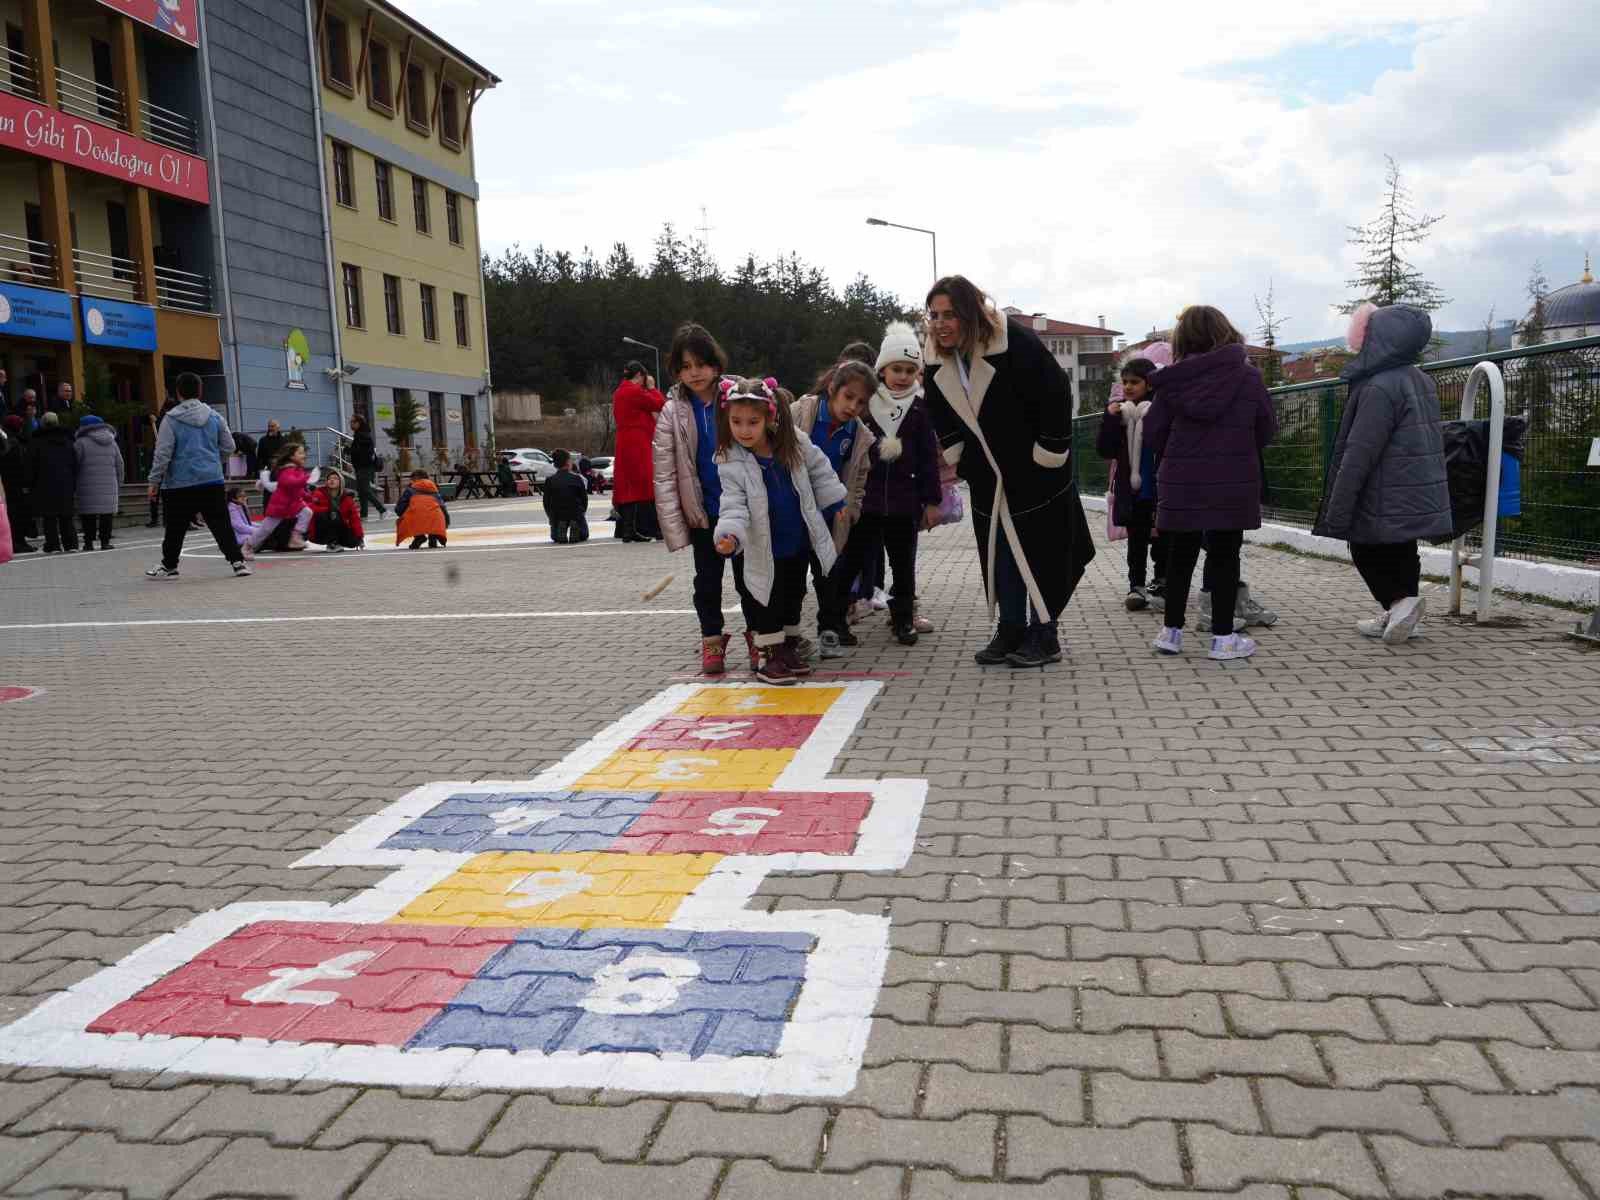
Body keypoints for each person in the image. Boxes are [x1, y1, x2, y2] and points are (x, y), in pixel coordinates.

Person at [922, 275, 1095, 668]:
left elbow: (1055, 391)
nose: (941, 323)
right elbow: (939, 411)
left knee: (1040, 553)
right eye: (934, 315)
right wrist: (962, 458)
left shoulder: (1013, 341)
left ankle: (1044, 634)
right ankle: (1011, 628)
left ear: (970, 313)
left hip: (1035, 469)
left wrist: (1049, 453)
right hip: (987, 474)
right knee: (999, 553)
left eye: (950, 314)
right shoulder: (934, 358)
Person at [1312, 302, 1451, 644]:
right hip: (1417, 484)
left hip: (1382, 487)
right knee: (1403, 549)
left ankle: (1399, 604)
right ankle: (1403, 615)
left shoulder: (1377, 386)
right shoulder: (1420, 380)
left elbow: (1361, 449)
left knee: (1364, 548)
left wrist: (1340, 503)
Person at [1144, 305, 1277, 660]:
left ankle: (1171, 632)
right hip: (1232, 478)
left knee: (1180, 553)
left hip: (1181, 479)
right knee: (1224, 555)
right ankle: (1222, 639)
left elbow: (1153, 432)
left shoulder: (1172, 381)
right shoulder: (1247, 377)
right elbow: (1266, 427)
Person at [713, 377, 847, 684]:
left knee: (794, 594)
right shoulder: (730, 460)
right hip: (761, 548)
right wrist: (729, 534)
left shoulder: (794, 443)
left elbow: (820, 468)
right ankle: (768, 656)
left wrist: (835, 499)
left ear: (770, 418)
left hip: (795, 542)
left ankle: (788, 647)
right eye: (736, 422)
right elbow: (732, 502)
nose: (744, 430)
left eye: (752, 422)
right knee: (765, 601)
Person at [827, 323, 941, 647]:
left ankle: (903, 619)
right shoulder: (868, 405)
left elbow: (928, 458)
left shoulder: (920, 409)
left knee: (904, 567)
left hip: (906, 503)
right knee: (852, 561)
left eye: (909, 370)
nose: (902, 376)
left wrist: (932, 501)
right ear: (883, 370)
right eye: (896, 369)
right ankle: (836, 620)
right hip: (868, 501)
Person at [653, 323, 750, 676]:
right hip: (703, 514)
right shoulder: (671, 412)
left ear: (716, 363)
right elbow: (664, 471)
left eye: (701, 364)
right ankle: (711, 641)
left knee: (749, 580)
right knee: (706, 583)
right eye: (685, 366)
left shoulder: (740, 397)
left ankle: (759, 639)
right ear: (676, 370)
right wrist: (674, 525)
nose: (694, 373)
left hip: (743, 512)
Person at [792, 359, 874, 658]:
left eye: (861, 402)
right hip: (793, 512)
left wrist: (851, 506)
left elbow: (859, 474)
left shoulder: (858, 434)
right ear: (832, 389)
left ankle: (830, 627)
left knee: (830, 574)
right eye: (848, 397)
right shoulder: (802, 414)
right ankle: (789, 633)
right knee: (792, 575)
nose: (853, 406)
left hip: (829, 514)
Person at [146, 373, 251, 578]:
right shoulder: (214, 416)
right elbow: (229, 446)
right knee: (221, 524)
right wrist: (213, 460)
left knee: (175, 528)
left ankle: (170, 565)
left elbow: (163, 453)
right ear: (200, 391)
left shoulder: (170, 419)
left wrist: (154, 481)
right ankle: (237, 562)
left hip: (178, 484)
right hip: (211, 480)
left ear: (178, 393)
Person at [1100, 350, 1169, 609]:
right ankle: (1136, 587)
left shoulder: (1160, 411)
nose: (1128, 387)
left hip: (1160, 485)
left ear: (1149, 384)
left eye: (1134, 382)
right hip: (1132, 489)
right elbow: (1105, 450)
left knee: (1164, 539)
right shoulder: (1119, 414)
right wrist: (1110, 419)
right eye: (1125, 382)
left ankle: (1162, 582)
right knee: (1137, 541)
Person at [613, 361, 667, 543]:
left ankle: (629, 529)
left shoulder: (619, 391)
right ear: (640, 376)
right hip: (638, 441)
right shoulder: (635, 391)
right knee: (645, 483)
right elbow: (660, 404)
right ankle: (652, 527)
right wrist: (652, 388)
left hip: (624, 441)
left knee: (628, 485)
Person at [242, 444, 317, 555]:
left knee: (307, 512)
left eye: (303, 452)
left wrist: (309, 497)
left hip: (292, 505)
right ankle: (248, 545)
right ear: (291, 457)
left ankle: (295, 536)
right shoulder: (287, 470)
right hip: (280, 506)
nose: (304, 455)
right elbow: (287, 482)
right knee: (265, 529)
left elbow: (298, 489)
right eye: (300, 453)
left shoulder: (297, 470)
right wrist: (306, 479)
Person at [28, 412, 77, 553]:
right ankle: (71, 544)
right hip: (65, 482)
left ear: (42, 423)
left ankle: (53, 545)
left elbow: (31, 465)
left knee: (49, 516)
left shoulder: (36, 442)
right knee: (66, 515)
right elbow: (74, 463)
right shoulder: (68, 440)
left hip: (44, 483)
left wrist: (30, 483)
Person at [74, 414, 124, 551]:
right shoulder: (112, 441)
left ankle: (89, 543)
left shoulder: (80, 442)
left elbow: (75, 464)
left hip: (86, 485)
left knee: (88, 515)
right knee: (106, 515)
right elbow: (120, 464)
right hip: (109, 484)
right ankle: (105, 542)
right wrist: (119, 482)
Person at [306, 470, 365, 551]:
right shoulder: (318, 493)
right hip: (320, 531)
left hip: (340, 528)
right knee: (329, 513)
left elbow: (354, 518)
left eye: (335, 478)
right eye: (329, 478)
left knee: (354, 542)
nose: (332, 480)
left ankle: (337, 542)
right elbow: (312, 509)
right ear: (326, 482)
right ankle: (331, 543)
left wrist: (359, 536)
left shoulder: (347, 498)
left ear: (341, 482)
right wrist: (330, 510)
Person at [0, 415, 34, 553]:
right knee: (16, 514)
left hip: (7, 483)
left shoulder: (6, 439)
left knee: (13, 514)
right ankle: (18, 542)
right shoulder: (13, 442)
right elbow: (20, 465)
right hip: (15, 484)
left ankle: (17, 542)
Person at [543, 448, 590, 543]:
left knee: (555, 537)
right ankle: (576, 528)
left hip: (557, 514)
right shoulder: (577, 479)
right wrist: (581, 514)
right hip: (575, 512)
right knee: (584, 535)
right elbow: (584, 500)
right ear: (568, 462)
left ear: (555, 464)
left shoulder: (550, 480)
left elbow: (546, 502)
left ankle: (560, 528)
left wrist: (551, 518)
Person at [347, 415, 387, 521]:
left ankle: (382, 509)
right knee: (361, 490)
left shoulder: (363, 435)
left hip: (365, 467)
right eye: (350, 422)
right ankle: (364, 515)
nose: (350, 424)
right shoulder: (359, 435)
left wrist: (350, 450)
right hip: (361, 467)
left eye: (352, 422)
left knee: (365, 489)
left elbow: (363, 452)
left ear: (358, 423)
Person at [396, 468, 449, 548]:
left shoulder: (410, 489)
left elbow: (399, 508)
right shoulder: (434, 489)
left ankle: (419, 537)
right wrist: (446, 522)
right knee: (436, 514)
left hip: (417, 518)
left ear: (416, 478)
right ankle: (433, 536)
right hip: (435, 520)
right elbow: (442, 506)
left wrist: (403, 515)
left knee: (412, 514)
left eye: (412, 479)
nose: (411, 481)